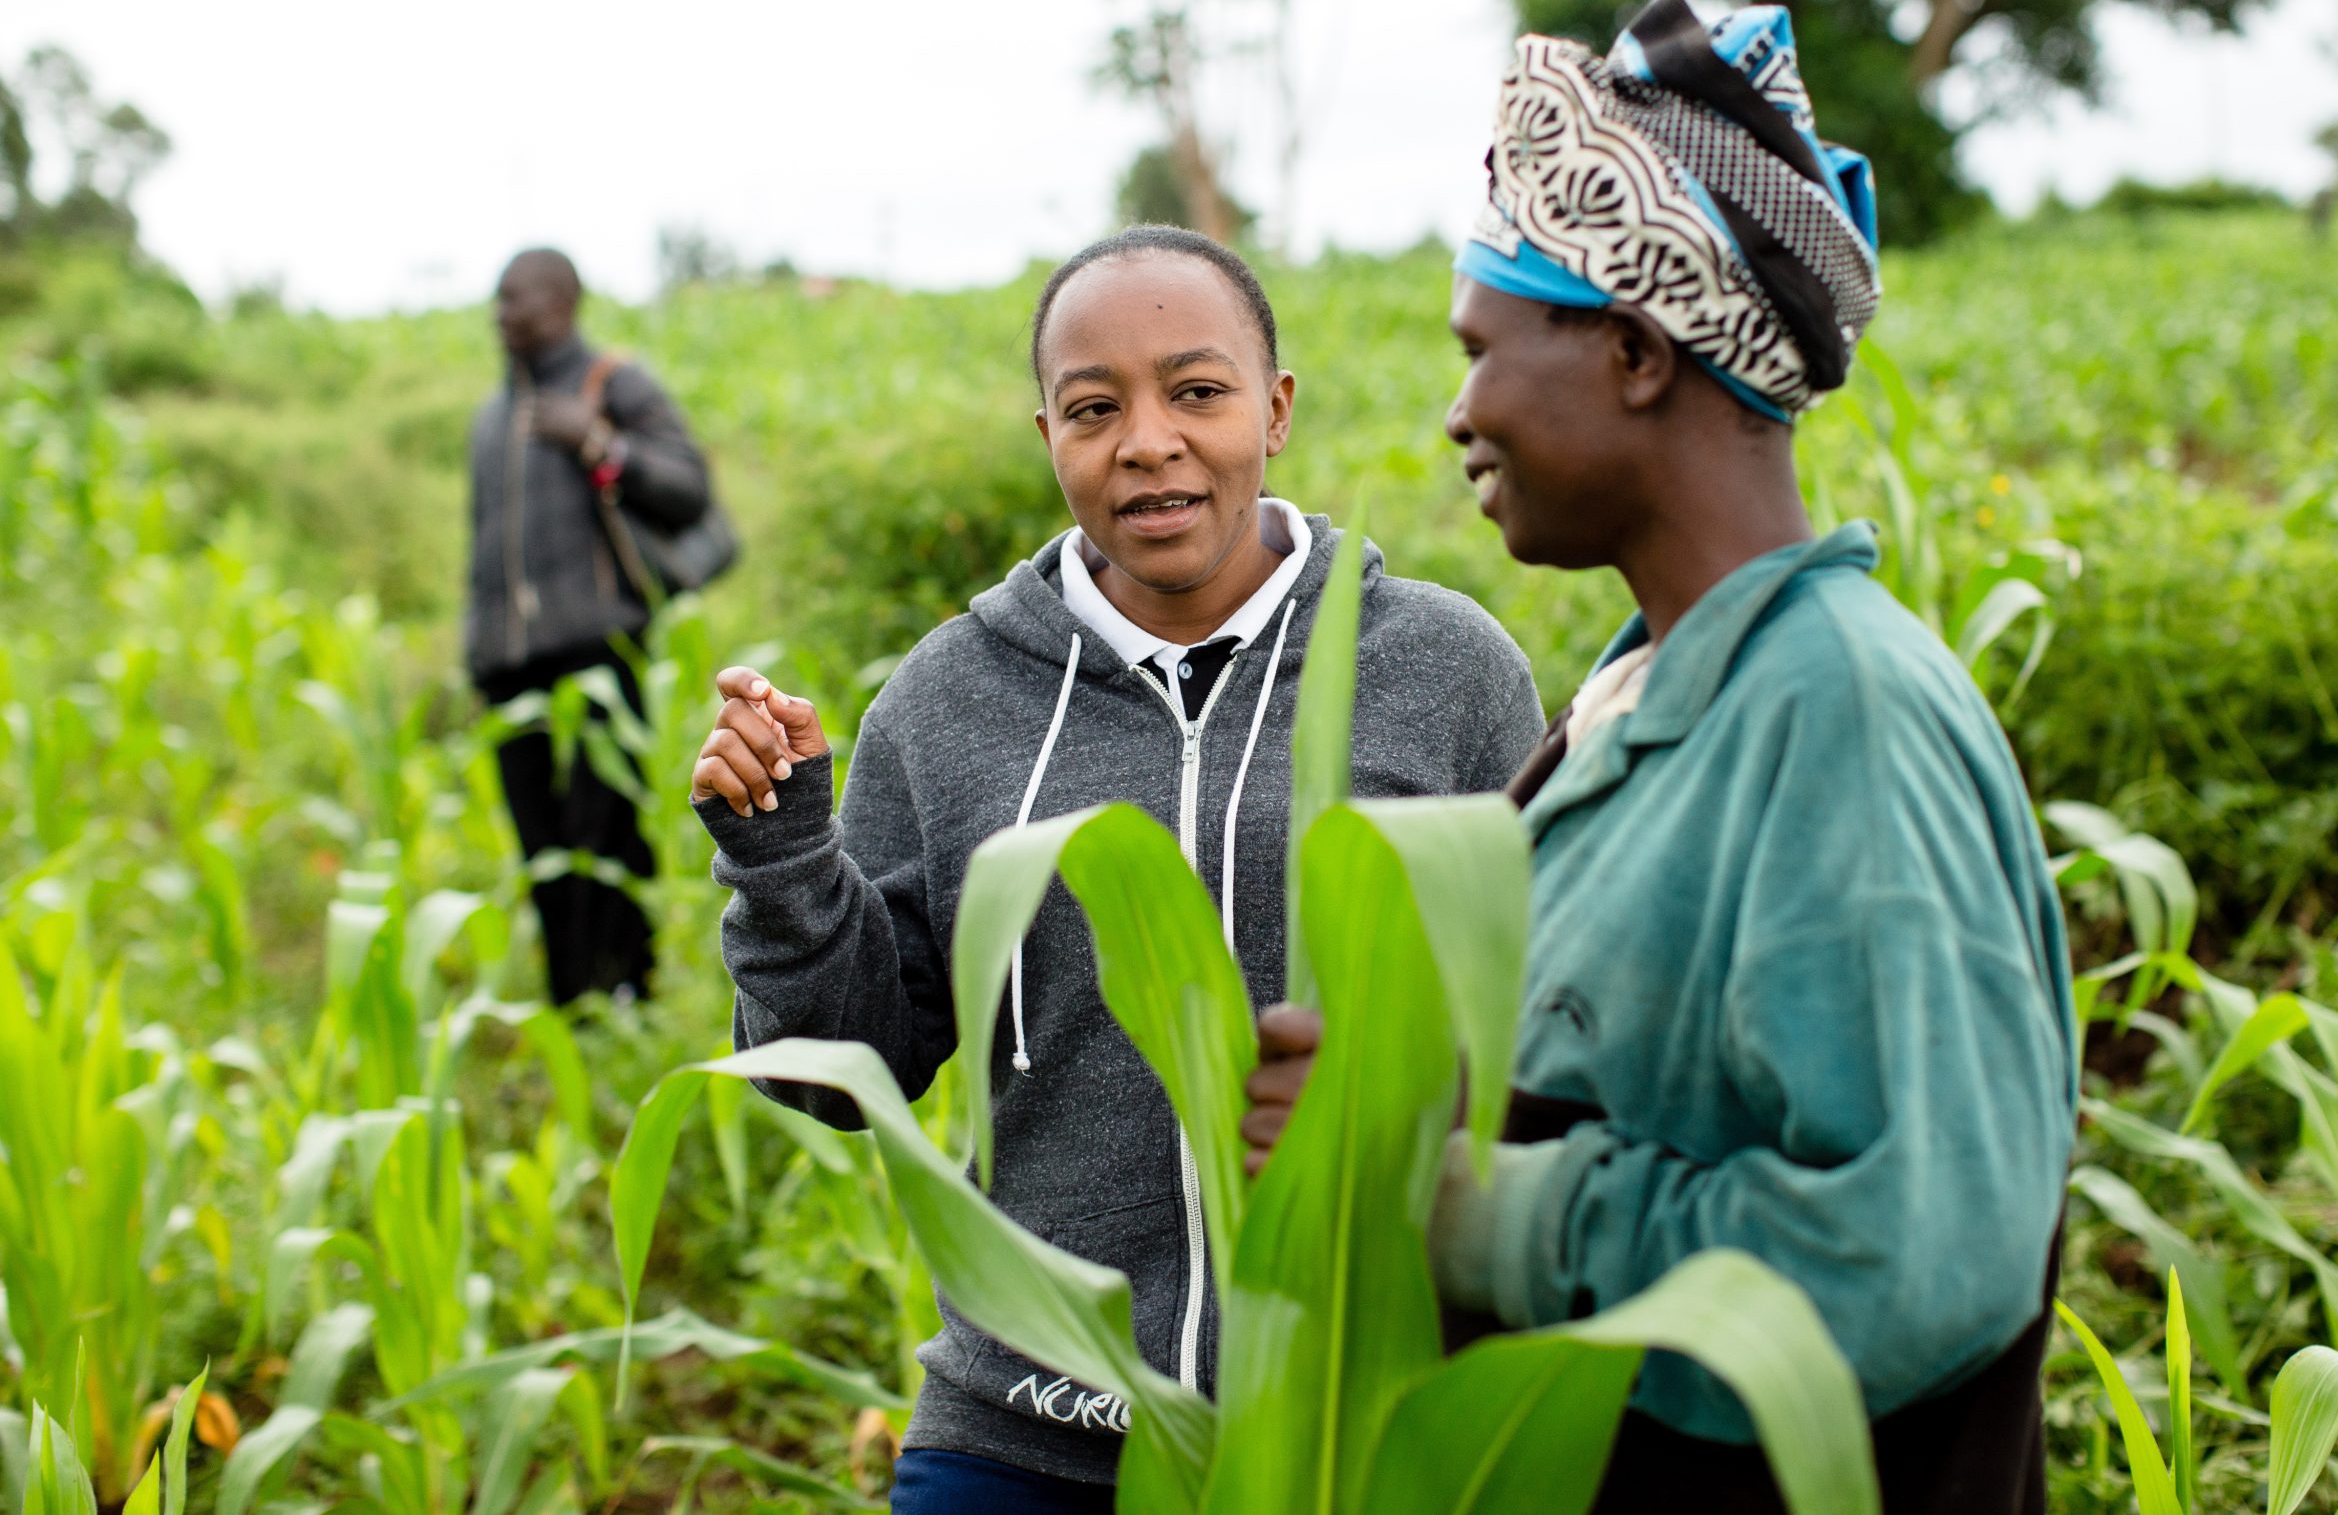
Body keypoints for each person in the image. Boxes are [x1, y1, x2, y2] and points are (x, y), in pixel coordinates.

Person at [1243, 0, 2078, 1514]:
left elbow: (1914, 1250)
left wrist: (1470, 1207)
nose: (1458, 412)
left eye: (1483, 349)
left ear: (1634, 351)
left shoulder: (1844, 720)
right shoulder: (1644, 696)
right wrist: (1385, 1101)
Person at [688, 226, 1545, 1514]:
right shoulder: (947, 698)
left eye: (1196, 391)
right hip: (1021, 1431)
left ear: (1277, 406)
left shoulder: (1445, 671)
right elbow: (844, 1077)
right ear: (1048, 436)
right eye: (1095, 408)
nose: (1147, 439)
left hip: (1352, 1427)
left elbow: (1537, 1027)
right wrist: (786, 856)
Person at [467, 247, 711, 1004]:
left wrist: (599, 442)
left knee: (608, 835)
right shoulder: (493, 415)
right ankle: (571, 1003)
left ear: (561, 304)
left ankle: (629, 994)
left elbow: (689, 489)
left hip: (597, 654)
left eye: (515, 300)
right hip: (509, 668)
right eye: (499, 301)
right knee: (541, 845)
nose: (500, 314)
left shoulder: (612, 385)